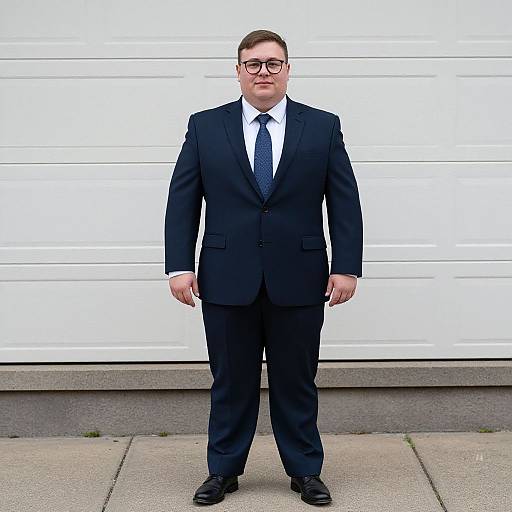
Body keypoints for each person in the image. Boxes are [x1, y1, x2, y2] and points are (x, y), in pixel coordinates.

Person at [164, 29, 363, 506]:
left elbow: (344, 201)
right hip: (227, 276)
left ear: (288, 69)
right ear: (238, 71)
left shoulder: (322, 126)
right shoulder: (206, 126)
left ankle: (305, 472)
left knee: (297, 379)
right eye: (253, 64)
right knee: (231, 381)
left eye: (273, 63)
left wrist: (347, 267)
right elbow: (183, 199)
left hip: (299, 276)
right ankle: (223, 471)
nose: (263, 72)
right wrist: (178, 266)